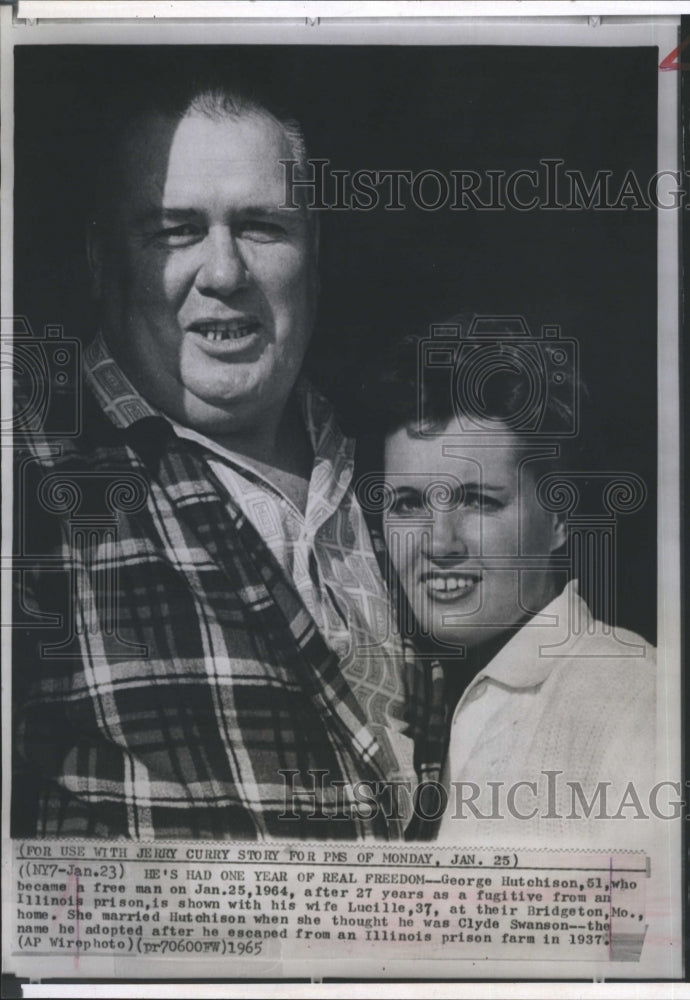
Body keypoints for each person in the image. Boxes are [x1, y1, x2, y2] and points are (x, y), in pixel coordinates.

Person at [12, 78, 435, 840]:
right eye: (174, 231)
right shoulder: (31, 477)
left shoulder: (400, 468)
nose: (225, 273)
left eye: (261, 227)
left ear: (316, 253)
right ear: (102, 259)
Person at [369, 316, 655, 845]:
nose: (439, 544)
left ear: (559, 518)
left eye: (479, 501)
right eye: (408, 504)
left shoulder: (634, 698)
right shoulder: (399, 695)